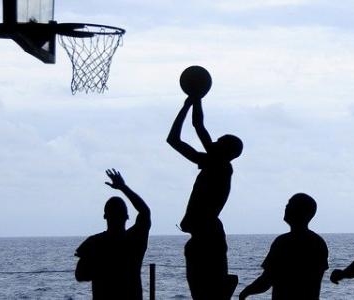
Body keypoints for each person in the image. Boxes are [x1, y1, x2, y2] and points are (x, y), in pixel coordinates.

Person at [167, 95, 243, 299]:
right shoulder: (213, 163)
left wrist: (194, 99)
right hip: (205, 236)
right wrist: (189, 104)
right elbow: (174, 139)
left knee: (207, 292)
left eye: (219, 142)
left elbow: (197, 125)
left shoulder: (221, 167)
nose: (214, 143)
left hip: (209, 237)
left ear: (226, 151)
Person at [75, 169, 151, 300]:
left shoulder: (94, 242)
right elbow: (144, 211)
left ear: (105, 216)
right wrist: (123, 187)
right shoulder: (135, 239)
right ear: (127, 216)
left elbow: (80, 275)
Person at [239, 193, 329, 300]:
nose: (286, 207)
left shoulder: (283, 242)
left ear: (300, 211)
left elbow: (267, 280)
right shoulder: (318, 242)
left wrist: (245, 293)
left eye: (290, 204)